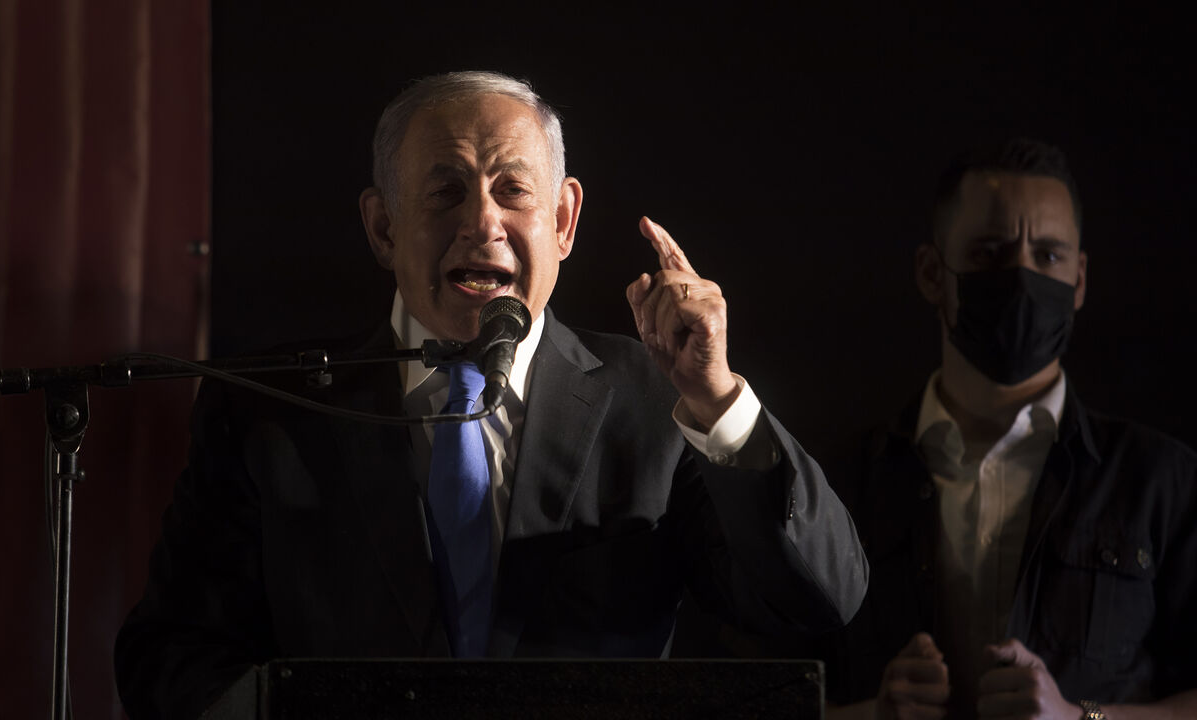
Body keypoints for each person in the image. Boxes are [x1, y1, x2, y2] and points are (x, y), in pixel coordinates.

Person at [114, 70, 868, 718]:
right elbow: (171, 658)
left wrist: (717, 399)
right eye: (445, 191)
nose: (483, 221)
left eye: (514, 190)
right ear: (382, 227)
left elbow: (818, 603)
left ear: (564, 220)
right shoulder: (268, 411)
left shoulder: (657, 400)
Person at [826, 139, 1197, 719]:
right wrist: (870, 715)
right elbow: (762, 689)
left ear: (1078, 280)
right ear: (931, 273)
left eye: (1047, 256)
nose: (1021, 279)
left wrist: (1080, 719)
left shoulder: (1164, 481)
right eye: (990, 252)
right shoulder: (840, 484)